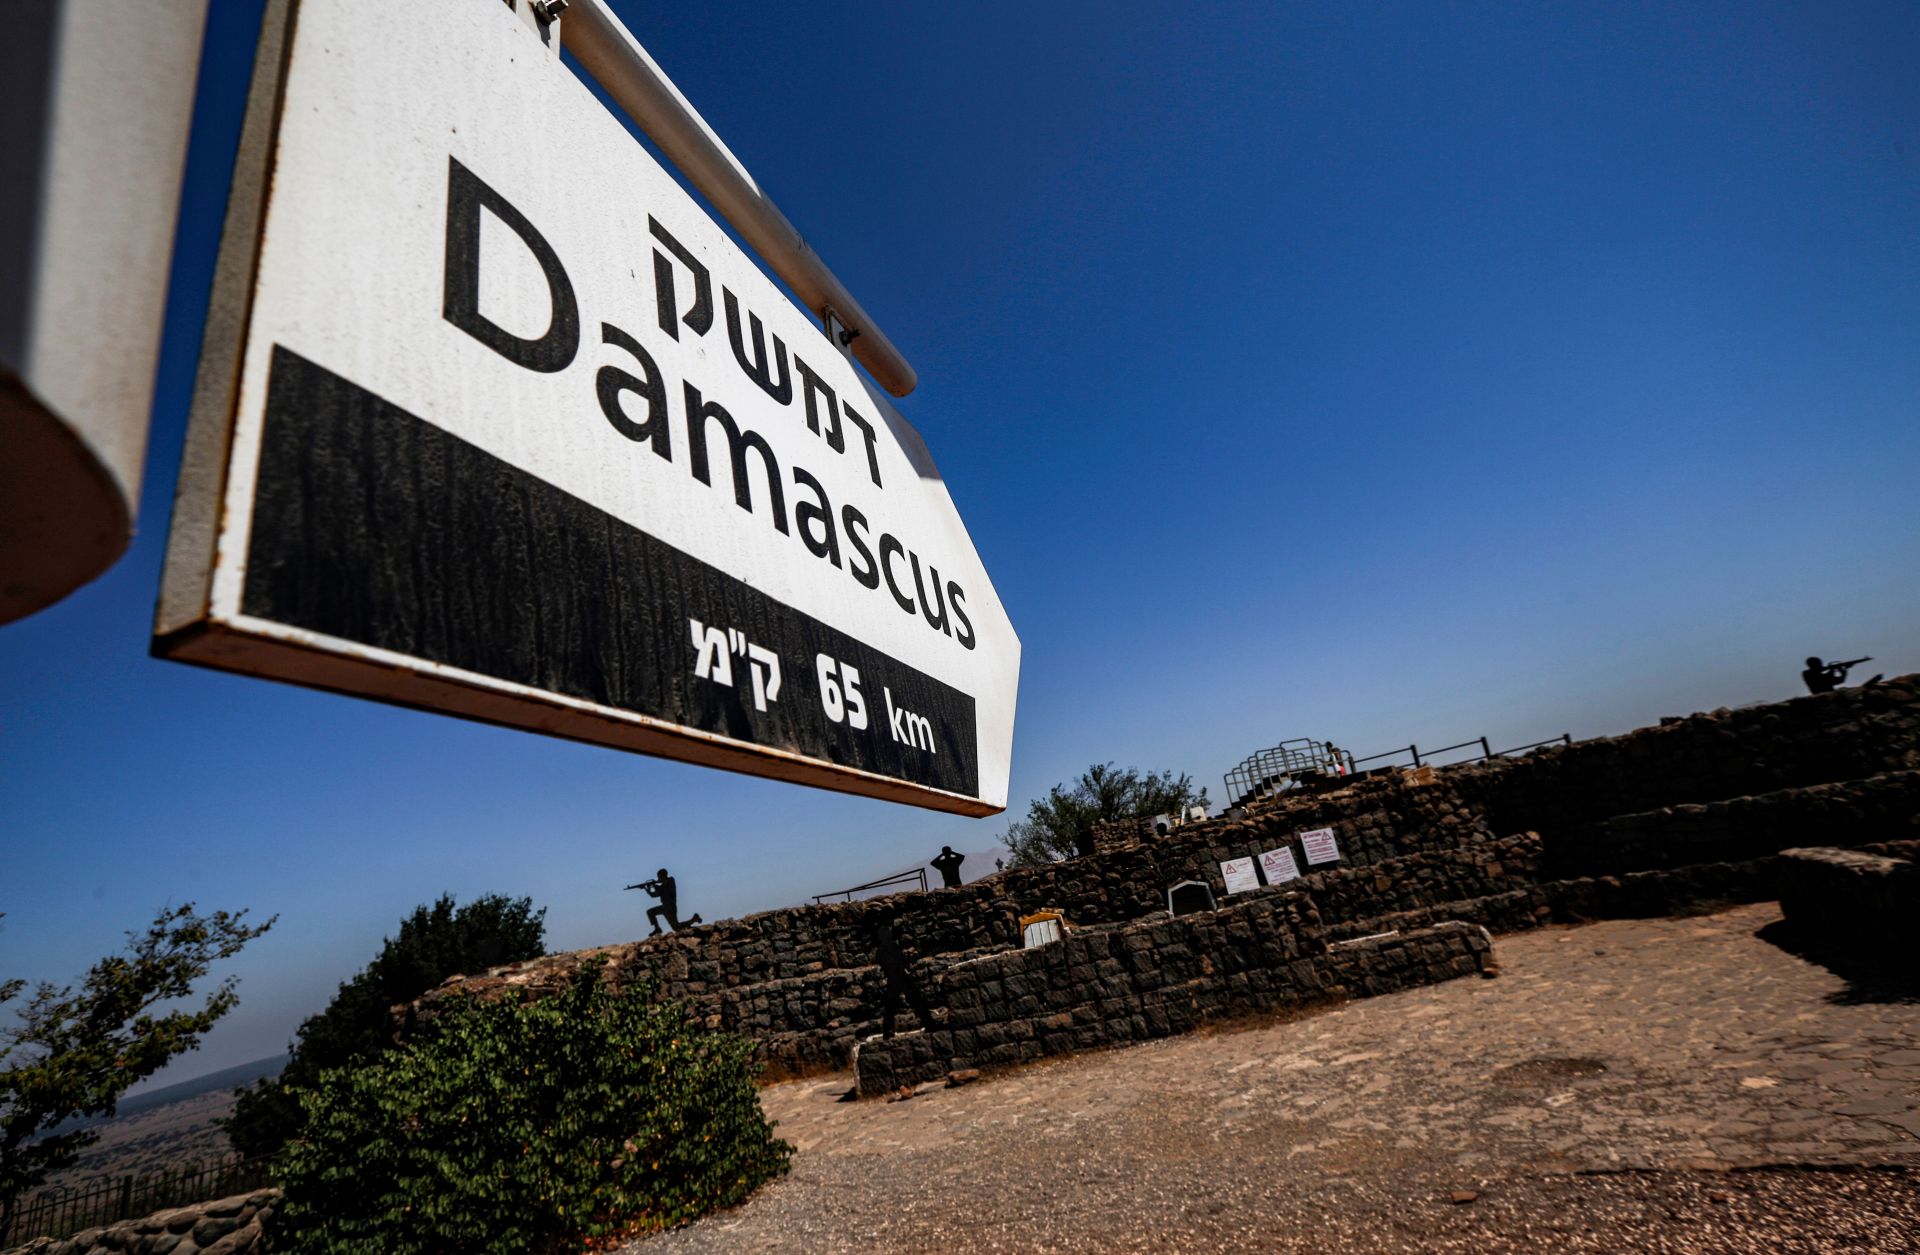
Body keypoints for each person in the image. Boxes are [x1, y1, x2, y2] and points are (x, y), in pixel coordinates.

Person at [873, 914, 937, 1039]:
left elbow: (886, 964)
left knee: (892, 1006)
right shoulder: (892, 946)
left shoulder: (880, 951)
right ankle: (929, 1023)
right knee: (915, 1000)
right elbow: (900, 960)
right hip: (900, 976)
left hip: (893, 978)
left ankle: (888, 1032)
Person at [626, 867, 702, 935]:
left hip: (670, 907)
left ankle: (693, 920)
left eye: (659, 877)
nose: (658, 879)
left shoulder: (671, 880)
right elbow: (653, 895)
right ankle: (657, 928)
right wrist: (647, 889)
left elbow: (664, 887)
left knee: (677, 928)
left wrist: (655, 885)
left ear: (663, 876)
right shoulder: (662, 886)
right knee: (652, 913)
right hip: (665, 907)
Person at [1802, 656, 1881, 696]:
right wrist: (1832, 669)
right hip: (1822, 695)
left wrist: (1843, 671)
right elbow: (1824, 680)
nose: (1821, 665)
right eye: (1819, 664)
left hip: (1830, 694)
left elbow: (1839, 681)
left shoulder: (1816, 674)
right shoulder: (1807, 674)